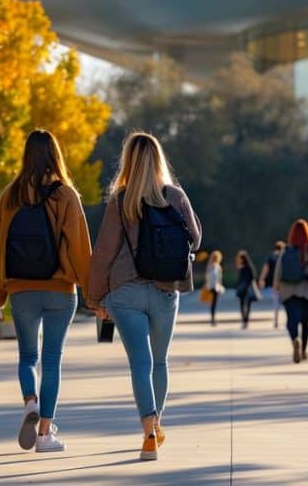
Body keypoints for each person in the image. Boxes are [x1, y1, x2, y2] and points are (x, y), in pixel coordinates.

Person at [87, 132, 202, 462]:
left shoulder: (120, 201)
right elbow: (194, 240)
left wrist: (95, 299)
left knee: (140, 362)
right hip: (166, 288)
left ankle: (149, 429)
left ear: (128, 162)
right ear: (158, 160)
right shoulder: (175, 195)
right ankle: (157, 424)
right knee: (160, 361)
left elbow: (104, 253)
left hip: (124, 291)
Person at [0, 129, 92, 453]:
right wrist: (94, 294)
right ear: (56, 154)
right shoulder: (65, 195)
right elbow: (80, 248)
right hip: (60, 290)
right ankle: (44, 434)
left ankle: (30, 401)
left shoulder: (11, 195)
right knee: (53, 360)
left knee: (27, 356)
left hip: (21, 289)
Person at [273, 219, 308, 364]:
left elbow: (279, 270)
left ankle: (294, 340)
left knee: (291, 321)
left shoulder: (286, 250)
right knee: (305, 323)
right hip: (307, 292)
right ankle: (303, 350)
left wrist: (276, 285)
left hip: (288, 292)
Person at [258, 241, 285, 328]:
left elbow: (266, 268)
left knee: (276, 302)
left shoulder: (271, 257)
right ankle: (288, 319)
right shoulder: (285, 256)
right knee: (286, 302)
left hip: (274, 283)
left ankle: (276, 320)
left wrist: (262, 279)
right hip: (285, 282)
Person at [234, 250, 258, 329]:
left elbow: (252, 277)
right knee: (243, 305)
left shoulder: (247, 267)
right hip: (243, 288)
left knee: (246, 305)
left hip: (246, 288)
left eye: (240, 258)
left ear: (243, 259)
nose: (239, 260)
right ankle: (244, 320)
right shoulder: (245, 267)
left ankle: (245, 321)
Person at [205, 251, 225, 326]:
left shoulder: (211, 266)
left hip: (213, 287)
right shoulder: (215, 266)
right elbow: (219, 279)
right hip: (214, 287)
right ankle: (213, 319)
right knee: (214, 303)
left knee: (214, 303)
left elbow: (208, 277)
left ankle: (213, 319)